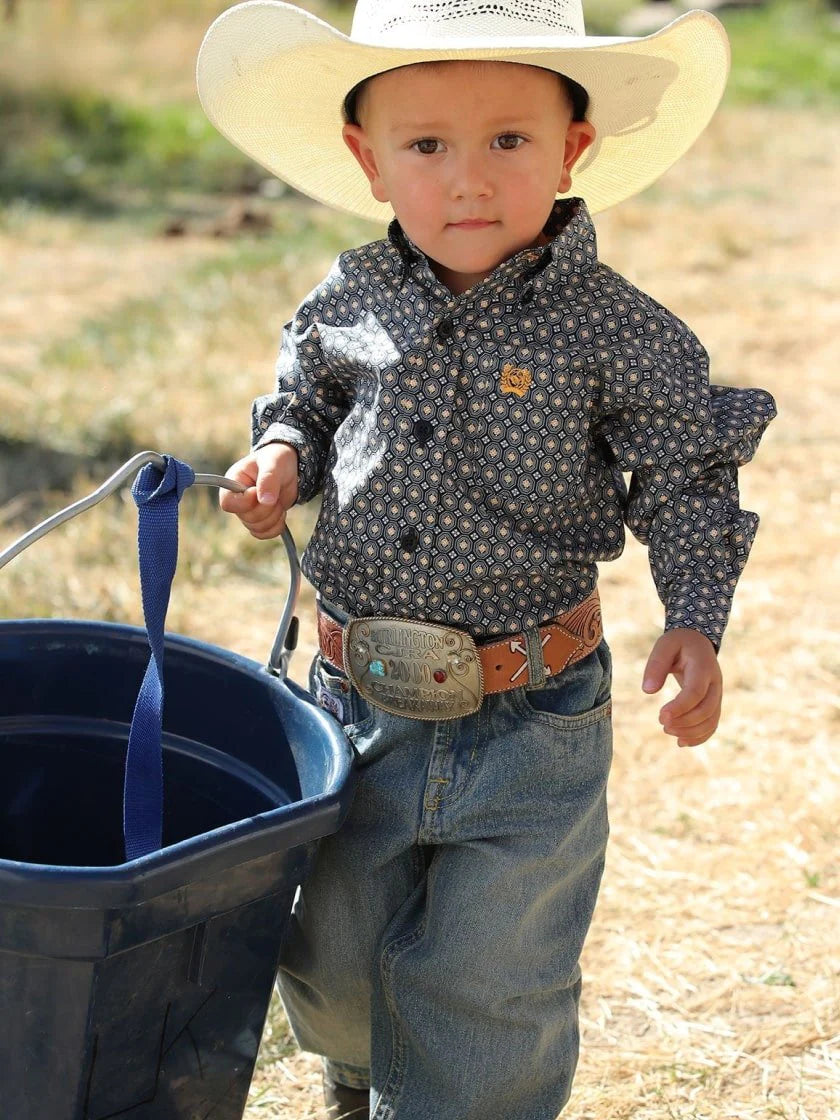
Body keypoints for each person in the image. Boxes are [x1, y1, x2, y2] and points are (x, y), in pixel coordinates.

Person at [197, 2, 776, 1116]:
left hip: (529, 715)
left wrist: (696, 618)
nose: (470, 180)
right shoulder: (351, 296)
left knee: (489, 985)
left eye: (509, 140)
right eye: (427, 146)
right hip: (352, 699)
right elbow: (308, 400)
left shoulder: (618, 333)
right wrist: (278, 458)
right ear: (370, 162)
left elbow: (686, 480)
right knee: (335, 959)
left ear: (574, 148)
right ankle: (362, 1070)